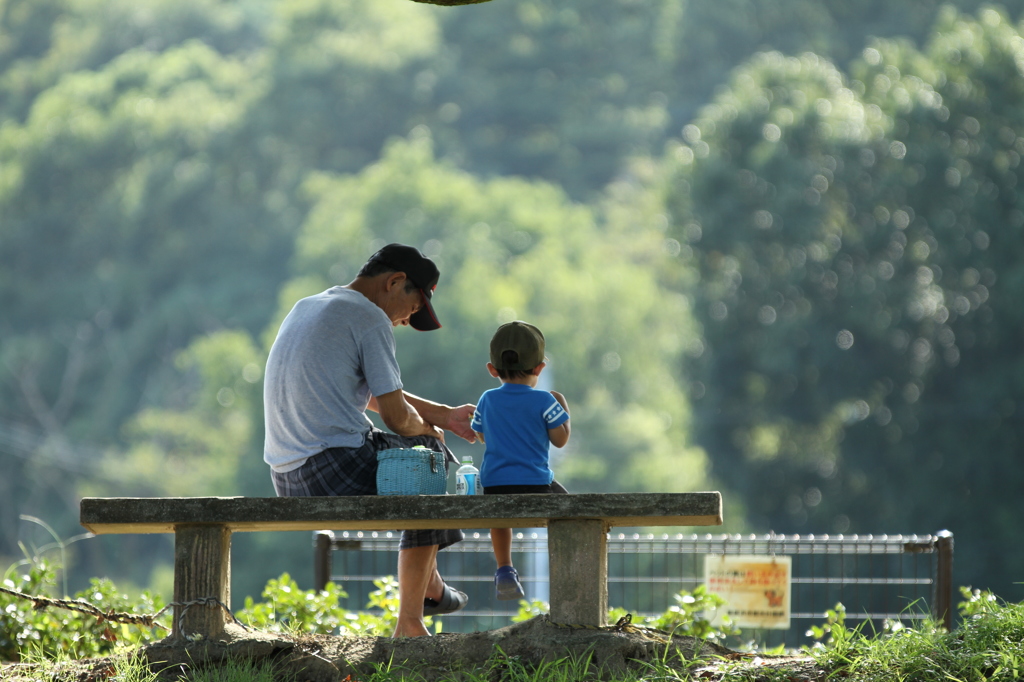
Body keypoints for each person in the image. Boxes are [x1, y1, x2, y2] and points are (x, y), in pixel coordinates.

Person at [263, 243, 477, 638]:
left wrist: (442, 416)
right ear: (395, 282)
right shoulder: (369, 317)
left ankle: (430, 585)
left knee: (425, 453)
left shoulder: (308, 306)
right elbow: (396, 417)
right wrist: (430, 434)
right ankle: (412, 618)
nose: (403, 322)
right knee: (427, 458)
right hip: (333, 466)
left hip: (285, 475)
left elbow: (376, 395)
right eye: (411, 311)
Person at [470, 321, 571, 601]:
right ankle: (568, 563)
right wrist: (562, 407)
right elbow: (560, 440)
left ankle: (504, 567)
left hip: (494, 483)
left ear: (492, 369)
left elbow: (479, 434)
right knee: (572, 511)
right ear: (540, 367)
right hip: (535, 482)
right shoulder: (545, 400)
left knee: (500, 519)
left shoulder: (487, 399)